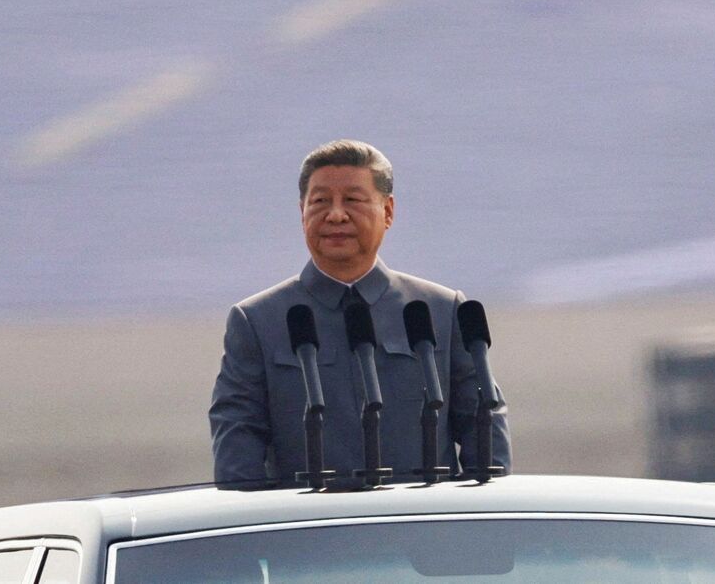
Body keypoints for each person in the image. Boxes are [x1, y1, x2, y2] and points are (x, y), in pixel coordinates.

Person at [209, 139, 511, 488]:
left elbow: (484, 429)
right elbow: (238, 445)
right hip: (308, 520)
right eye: (320, 201)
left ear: (388, 211)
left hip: (421, 519)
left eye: (352, 200)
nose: (336, 215)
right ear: (302, 211)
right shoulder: (258, 321)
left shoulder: (440, 311)